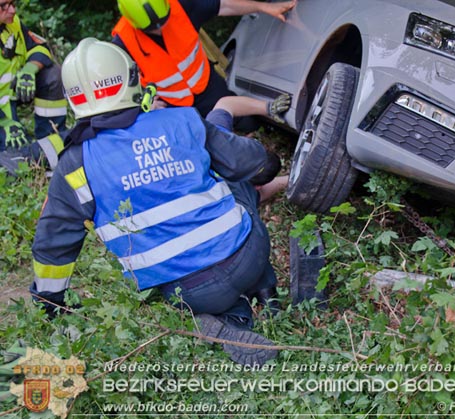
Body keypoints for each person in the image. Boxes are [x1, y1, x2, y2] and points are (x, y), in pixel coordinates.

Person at [30, 38, 282, 366]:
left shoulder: (75, 163)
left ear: (72, 98)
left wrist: (50, 303)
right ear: (132, 79)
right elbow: (253, 166)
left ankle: (229, 322)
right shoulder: (181, 121)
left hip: (184, 290)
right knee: (235, 178)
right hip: (249, 256)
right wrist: (271, 164)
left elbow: (53, 243)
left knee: (207, 287)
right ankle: (267, 292)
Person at [112, 0, 296, 121]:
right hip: (171, 106)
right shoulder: (123, 42)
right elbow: (121, 87)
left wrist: (265, 7)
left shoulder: (181, 6)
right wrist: (146, 103)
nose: (160, 30)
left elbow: (224, 6)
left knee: (245, 123)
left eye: (164, 21)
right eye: (152, 29)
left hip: (206, 86)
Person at [0, 0, 67, 166]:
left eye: (13, 3)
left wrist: (29, 70)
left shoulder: (12, 23)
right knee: (14, 155)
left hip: (14, 92)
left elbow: (41, 48)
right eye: (4, 6)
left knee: (52, 75)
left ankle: (51, 135)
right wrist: (5, 121)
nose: (13, 10)